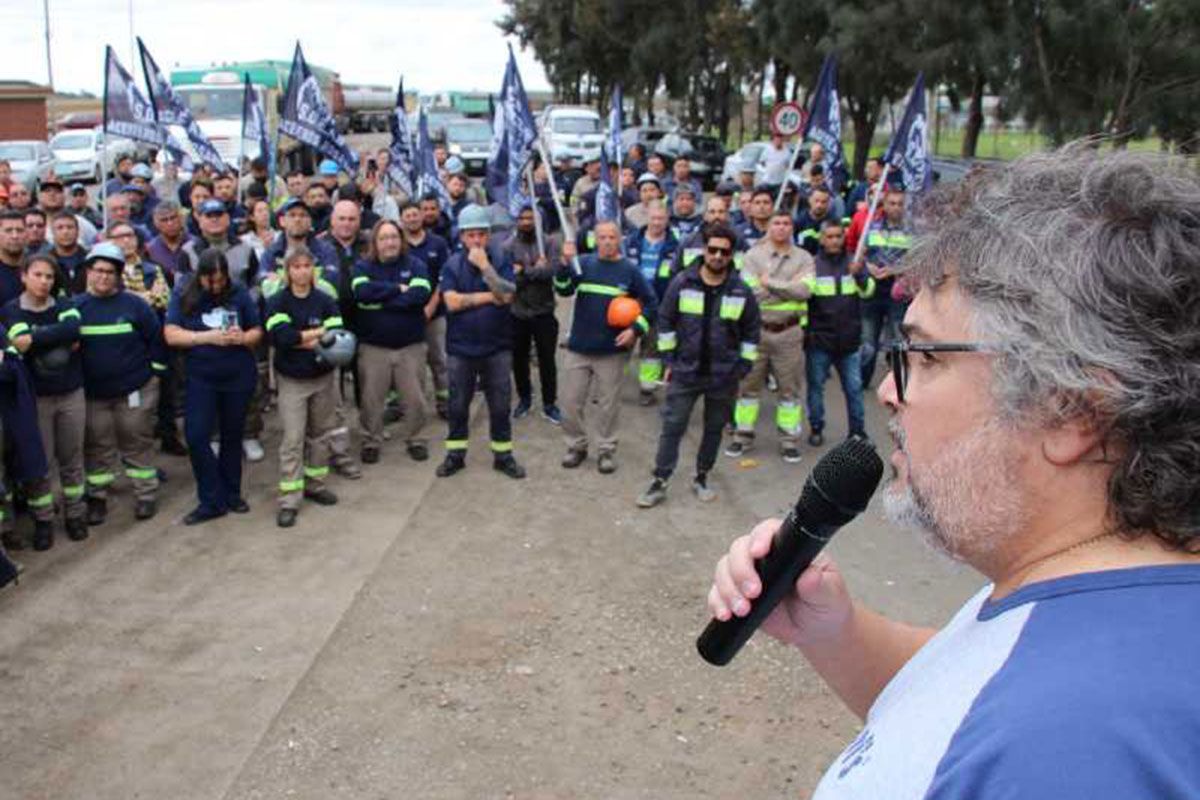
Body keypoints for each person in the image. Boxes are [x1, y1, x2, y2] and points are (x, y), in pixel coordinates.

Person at [706, 149, 1200, 799]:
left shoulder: (1068, 750)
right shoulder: (1097, 597)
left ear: (1069, 410)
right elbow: (967, 694)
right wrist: (833, 631)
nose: (887, 389)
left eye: (924, 355)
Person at [637, 222, 760, 508]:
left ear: (731, 256)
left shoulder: (741, 291)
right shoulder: (682, 283)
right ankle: (660, 480)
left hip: (723, 376)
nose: (717, 256)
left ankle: (702, 476)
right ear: (704, 250)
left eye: (724, 252)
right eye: (713, 249)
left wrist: (742, 366)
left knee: (714, 429)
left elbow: (752, 330)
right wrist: (669, 359)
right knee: (673, 427)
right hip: (685, 373)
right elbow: (665, 321)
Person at [164, 249, 262, 524]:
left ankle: (232, 493)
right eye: (211, 281)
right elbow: (171, 334)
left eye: (221, 281)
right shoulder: (185, 293)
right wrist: (206, 337)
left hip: (237, 375)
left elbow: (257, 330)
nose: (216, 286)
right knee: (196, 436)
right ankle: (210, 498)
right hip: (200, 377)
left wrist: (242, 337)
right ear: (201, 278)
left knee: (232, 436)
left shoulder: (238, 292)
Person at [554, 220, 657, 474]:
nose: (608, 242)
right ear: (595, 240)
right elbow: (563, 290)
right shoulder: (584, 264)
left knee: (608, 405)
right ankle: (576, 445)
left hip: (611, 351)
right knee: (569, 401)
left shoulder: (629, 270)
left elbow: (651, 303)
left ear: (619, 239)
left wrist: (635, 330)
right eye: (603, 237)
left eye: (612, 237)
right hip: (579, 347)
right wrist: (565, 266)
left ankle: (606, 450)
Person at [76, 242, 167, 524]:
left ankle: (145, 494)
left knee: (137, 442)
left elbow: (156, 341)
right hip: (94, 395)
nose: (104, 276)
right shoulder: (76, 308)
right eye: (98, 270)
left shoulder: (135, 305)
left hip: (134, 390)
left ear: (118, 275)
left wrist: (153, 376)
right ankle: (97, 497)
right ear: (88, 272)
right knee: (97, 446)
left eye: (110, 272)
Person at [1, 253, 88, 547]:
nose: (44, 282)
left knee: (72, 459)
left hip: (71, 393)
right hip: (37, 399)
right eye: (38, 275)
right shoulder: (11, 310)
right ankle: (43, 521)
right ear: (24, 276)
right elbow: (20, 341)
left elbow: (73, 330)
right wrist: (56, 336)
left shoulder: (65, 304)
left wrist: (37, 338)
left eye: (49, 277)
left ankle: (75, 515)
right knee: (40, 465)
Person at [435, 204, 524, 479]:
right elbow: (451, 302)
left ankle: (503, 455)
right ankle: (455, 455)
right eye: (471, 235)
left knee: (500, 404)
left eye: (481, 234)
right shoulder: (452, 264)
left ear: (488, 235)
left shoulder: (500, 259)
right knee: (458, 404)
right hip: (461, 349)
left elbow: (508, 296)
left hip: (497, 347)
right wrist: (489, 296)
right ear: (462, 237)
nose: (476, 240)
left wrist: (486, 268)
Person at [264, 247, 343, 527]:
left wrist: (301, 339)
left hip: (322, 378)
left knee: (320, 435)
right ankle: (290, 499)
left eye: (306, 265)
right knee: (292, 440)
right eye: (295, 266)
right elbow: (282, 338)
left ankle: (316, 485)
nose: (301, 271)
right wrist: (317, 335)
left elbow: (338, 337)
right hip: (293, 382)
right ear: (288, 271)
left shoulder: (326, 299)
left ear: (314, 269)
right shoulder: (277, 301)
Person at [727, 211, 814, 463]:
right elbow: (750, 292)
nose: (781, 227)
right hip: (756, 332)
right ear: (769, 226)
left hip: (789, 333)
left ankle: (788, 440)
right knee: (747, 388)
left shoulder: (804, 257)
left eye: (786, 223)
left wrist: (771, 283)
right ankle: (742, 436)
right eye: (776, 222)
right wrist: (787, 287)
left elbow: (806, 291)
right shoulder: (753, 255)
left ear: (792, 227)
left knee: (789, 391)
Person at [351, 219, 432, 464]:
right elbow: (361, 294)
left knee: (415, 399)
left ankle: (416, 439)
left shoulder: (416, 264)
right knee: (371, 400)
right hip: (374, 347)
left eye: (394, 237)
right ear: (375, 242)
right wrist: (399, 289)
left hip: (411, 346)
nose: (390, 242)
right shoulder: (363, 266)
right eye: (384, 238)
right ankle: (370, 440)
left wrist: (381, 300)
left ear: (401, 239)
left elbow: (420, 295)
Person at [803, 221, 872, 445]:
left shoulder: (854, 263)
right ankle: (816, 428)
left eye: (838, 236)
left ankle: (857, 432)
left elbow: (868, 291)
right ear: (822, 239)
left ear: (844, 238)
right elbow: (804, 301)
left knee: (854, 390)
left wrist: (860, 274)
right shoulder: (811, 266)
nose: (834, 241)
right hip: (820, 342)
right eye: (829, 237)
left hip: (849, 341)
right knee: (815, 389)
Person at [504, 204, 561, 423]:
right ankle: (524, 399)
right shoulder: (508, 245)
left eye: (531, 218)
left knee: (547, 360)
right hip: (517, 313)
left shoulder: (549, 243)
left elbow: (551, 272)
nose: (526, 222)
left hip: (544, 312)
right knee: (519, 360)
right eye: (523, 218)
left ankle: (550, 403)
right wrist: (535, 270)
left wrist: (524, 270)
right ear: (517, 220)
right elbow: (508, 279)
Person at [624, 202, 679, 405]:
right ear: (647, 217)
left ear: (667, 220)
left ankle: (647, 389)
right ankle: (610, 384)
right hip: (631, 302)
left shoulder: (675, 246)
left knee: (652, 350)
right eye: (654, 218)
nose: (657, 222)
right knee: (623, 345)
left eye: (661, 219)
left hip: (659, 303)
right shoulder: (631, 241)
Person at [401, 201, 452, 419]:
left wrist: (431, 307)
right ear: (401, 219)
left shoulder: (438, 243)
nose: (412, 218)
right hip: (406, 315)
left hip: (435, 313)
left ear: (422, 216)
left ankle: (445, 402)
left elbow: (445, 277)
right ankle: (413, 407)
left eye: (415, 214)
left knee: (439, 360)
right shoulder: (398, 244)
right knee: (412, 366)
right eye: (407, 215)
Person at [859, 188, 913, 388]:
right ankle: (862, 382)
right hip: (872, 291)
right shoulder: (871, 228)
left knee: (897, 340)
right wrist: (867, 266)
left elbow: (917, 260)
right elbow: (860, 255)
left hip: (897, 293)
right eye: (892, 203)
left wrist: (894, 270)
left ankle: (898, 383)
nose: (896, 208)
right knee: (868, 342)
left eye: (900, 204)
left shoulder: (912, 231)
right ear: (884, 205)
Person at [145, 200, 192, 280]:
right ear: (156, 223)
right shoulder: (150, 249)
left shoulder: (195, 244)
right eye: (164, 220)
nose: (170, 223)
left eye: (173, 218)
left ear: (181, 218)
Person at [794, 186, 842, 256]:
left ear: (828, 203)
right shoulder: (799, 221)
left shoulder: (834, 223)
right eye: (816, 201)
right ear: (809, 200)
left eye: (823, 202)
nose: (819, 205)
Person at [47, 212, 87, 293]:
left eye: (70, 227)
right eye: (60, 228)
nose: (65, 232)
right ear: (53, 232)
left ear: (78, 231)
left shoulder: (90, 259)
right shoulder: (46, 262)